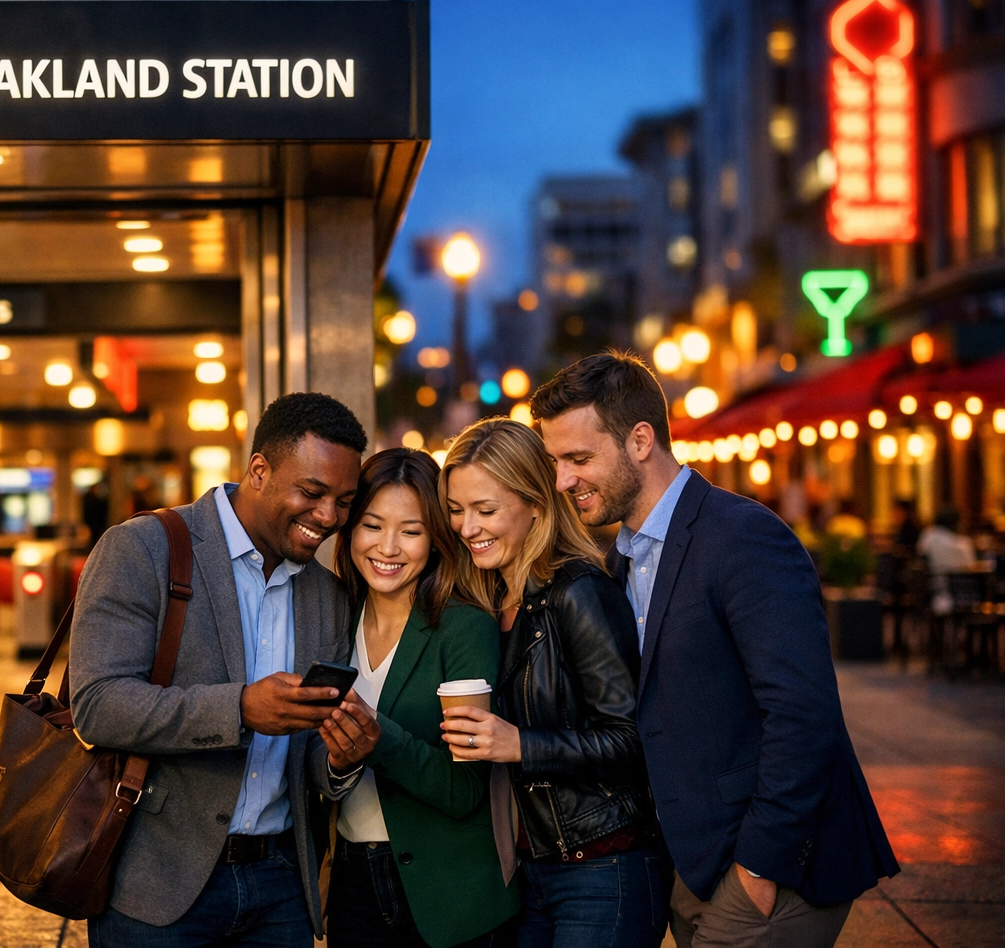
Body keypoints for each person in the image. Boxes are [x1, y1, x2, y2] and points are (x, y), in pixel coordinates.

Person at [531, 351, 899, 948]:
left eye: (578, 458)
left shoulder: (744, 535)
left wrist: (759, 868)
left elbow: (805, 716)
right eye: (555, 461)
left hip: (776, 871)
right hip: (696, 862)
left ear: (641, 440)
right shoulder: (618, 556)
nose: (562, 480)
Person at [71, 392, 381, 947]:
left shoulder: (327, 595)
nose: (329, 517)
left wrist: (340, 758)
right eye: (311, 493)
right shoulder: (142, 548)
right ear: (258, 470)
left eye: (343, 500)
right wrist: (240, 708)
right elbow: (96, 705)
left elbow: (309, 758)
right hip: (157, 885)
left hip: (280, 887)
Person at [437, 418, 665, 948]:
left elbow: (632, 739)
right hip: (530, 872)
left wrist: (519, 745)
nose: (467, 527)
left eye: (485, 510)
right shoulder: (489, 599)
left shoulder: (577, 591)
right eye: (455, 510)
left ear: (538, 503)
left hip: (603, 867)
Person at [326, 448, 518, 948]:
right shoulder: (330, 618)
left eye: (411, 531)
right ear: (349, 530)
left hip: (450, 896)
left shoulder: (465, 626)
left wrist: (377, 738)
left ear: (435, 539)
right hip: (351, 881)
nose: (388, 547)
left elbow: (466, 789)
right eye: (372, 525)